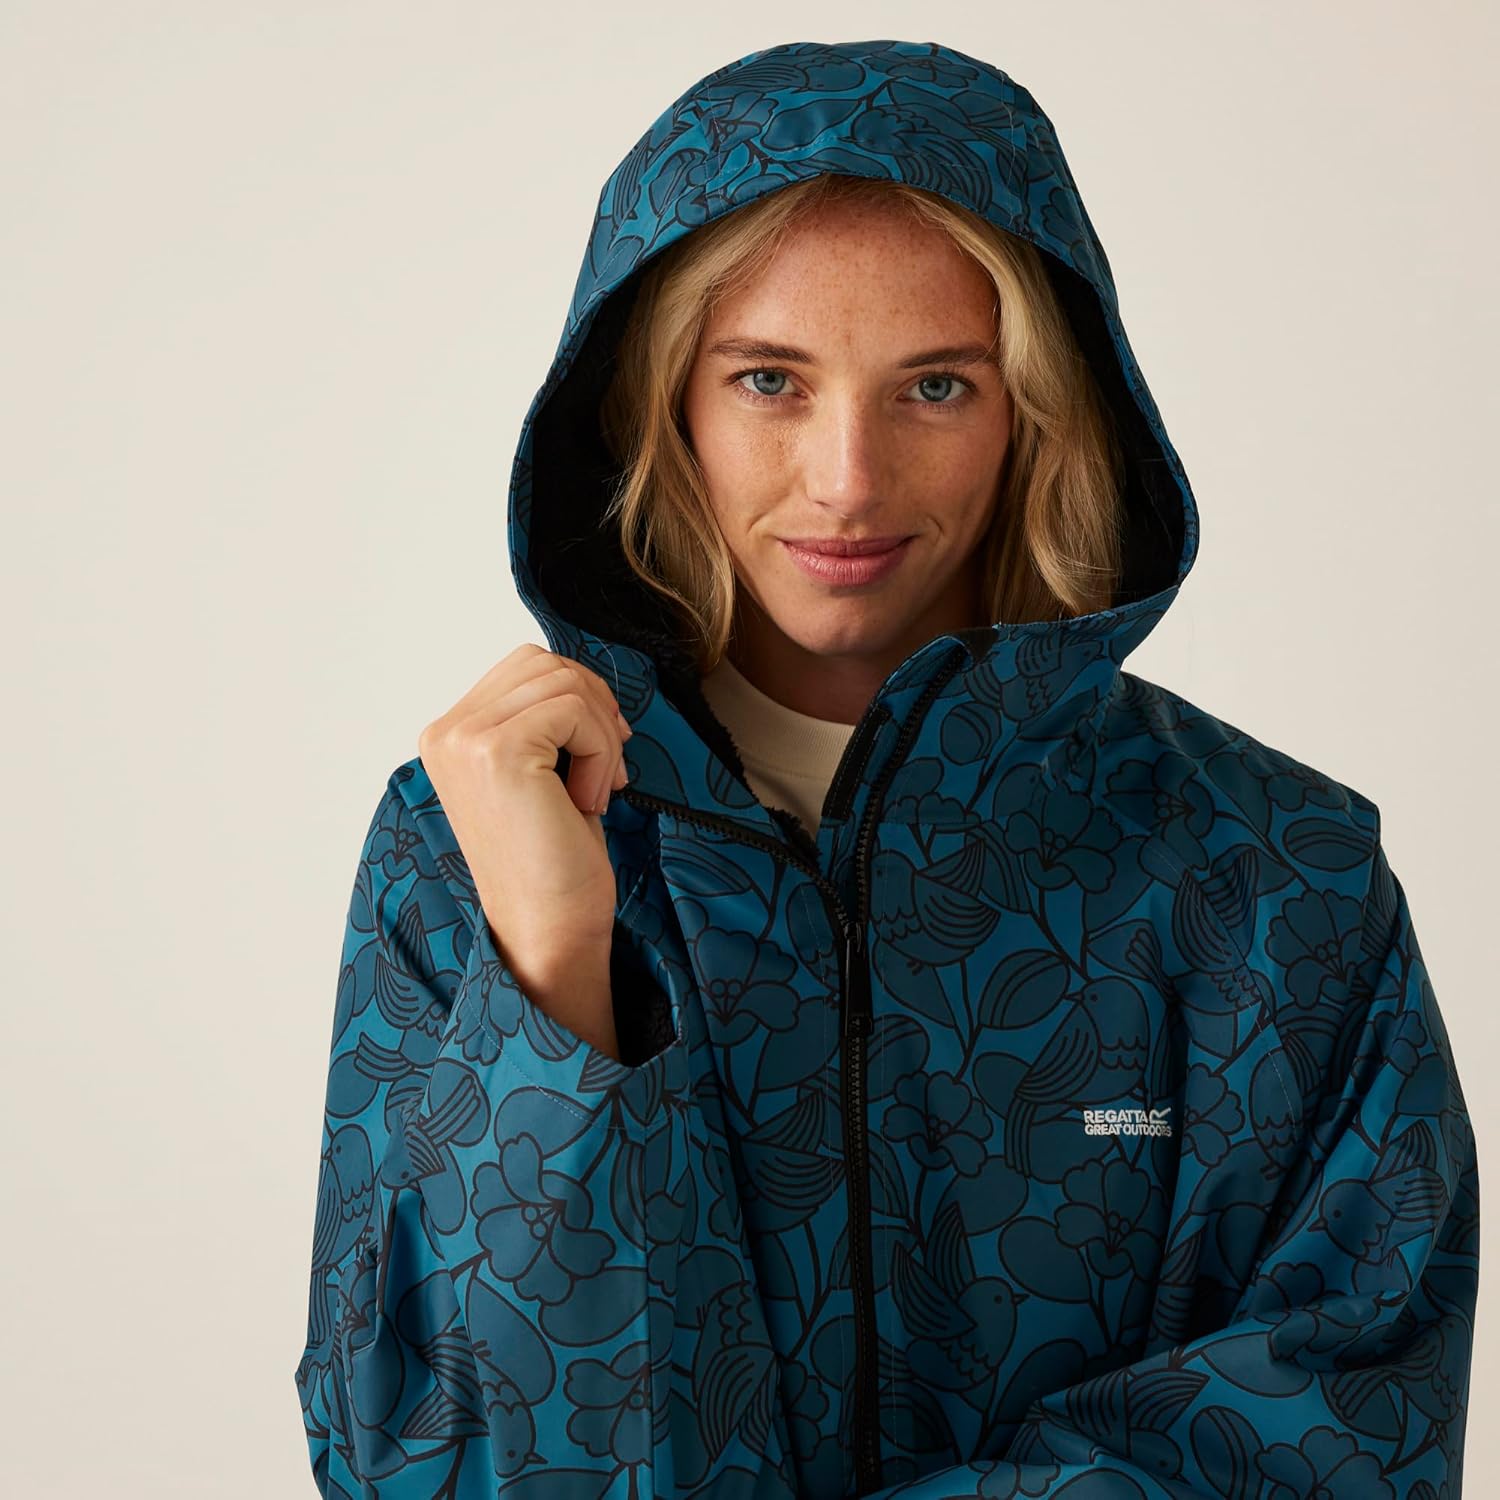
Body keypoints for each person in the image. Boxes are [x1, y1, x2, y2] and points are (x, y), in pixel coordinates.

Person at [293, 37, 1478, 1500]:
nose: (847, 478)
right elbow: (420, 1461)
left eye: (935, 386)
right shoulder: (465, 847)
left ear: (1039, 406)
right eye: (769, 380)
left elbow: (1343, 1441)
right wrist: (551, 977)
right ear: (661, 405)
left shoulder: (1285, 879)